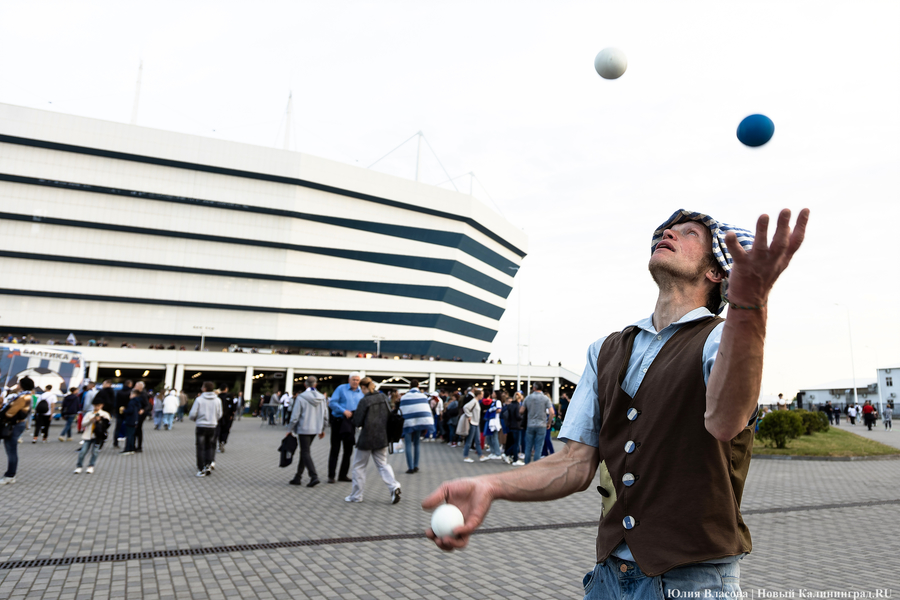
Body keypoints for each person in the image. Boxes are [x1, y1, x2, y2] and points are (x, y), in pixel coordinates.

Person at [422, 207, 809, 597]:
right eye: (667, 230)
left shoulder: (720, 339)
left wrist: (749, 305)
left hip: (692, 578)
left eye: (689, 233)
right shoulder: (604, 349)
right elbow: (574, 465)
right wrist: (491, 484)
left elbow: (726, 421)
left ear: (715, 272)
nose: (669, 233)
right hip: (607, 577)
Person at [345, 377, 401, 504]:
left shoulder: (365, 401)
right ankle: (394, 486)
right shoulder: (383, 398)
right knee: (383, 464)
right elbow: (389, 415)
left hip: (367, 437)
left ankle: (356, 496)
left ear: (363, 388)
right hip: (382, 437)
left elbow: (357, 421)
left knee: (359, 466)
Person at [287, 376, 327, 487]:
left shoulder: (301, 397)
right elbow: (325, 415)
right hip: (315, 429)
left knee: (305, 452)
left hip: (304, 428)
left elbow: (295, 416)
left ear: (305, 385)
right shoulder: (322, 397)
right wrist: (323, 428)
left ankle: (313, 476)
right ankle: (298, 477)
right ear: (316, 384)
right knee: (305, 452)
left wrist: (289, 429)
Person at [327, 372, 364, 483]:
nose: (355, 382)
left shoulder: (361, 392)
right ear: (349, 380)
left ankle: (343, 475)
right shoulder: (341, 389)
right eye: (353, 380)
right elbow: (332, 403)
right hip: (339, 421)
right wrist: (343, 411)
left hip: (351, 423)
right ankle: (331, 476)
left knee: (348, 450)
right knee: (335, 449)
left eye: (357, 380)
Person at [1, 377, 34, 485]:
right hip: (18, 424)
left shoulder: (22, 397)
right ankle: (11, 475)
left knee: (11, 451)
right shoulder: (26, 396)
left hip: (14, 425)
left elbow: (10, 412)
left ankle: (10, 475)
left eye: (18, 384)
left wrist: (3, 418)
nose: (17, 386)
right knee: (12, 450)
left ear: (22, 385)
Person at [399, 379, 435, 473]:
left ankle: (410, 468)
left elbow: (401, 410)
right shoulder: (423, 396)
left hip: (408, 422)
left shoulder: (404, 397)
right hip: (419, 422)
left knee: (408, 444)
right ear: (418, 386)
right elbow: (426, 409)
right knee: (417, 443)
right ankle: (416, 466)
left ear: (410, 386)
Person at [190, 381, 222, 477]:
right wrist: (214, 420)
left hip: (201, 425)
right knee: (210, 446)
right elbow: (219, 414)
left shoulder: (199, 400)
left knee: (200, 447)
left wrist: (196, 419)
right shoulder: (217, 400)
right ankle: (209, 464)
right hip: (212, 426)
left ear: (204, 388)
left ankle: (201, 468)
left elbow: (192, 414)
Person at [74, 396, 111, 474]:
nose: (96, 407)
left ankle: (91, 466)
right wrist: (91, 420)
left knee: (95, 452)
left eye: (98, 405)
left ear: (102, 405)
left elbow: (107, 425)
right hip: (88, 435)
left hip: (98, 436)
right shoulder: (89, 414)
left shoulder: (105, 414)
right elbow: (83, 424)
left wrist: (100, 420)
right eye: (95, 405)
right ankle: (79, 466)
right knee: (83, 452)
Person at [520, 382, 554, 464]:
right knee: (538, 447)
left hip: (530, 424)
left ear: (534, 388)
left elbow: (521, 411)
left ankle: (527, 464)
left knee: (528, 446)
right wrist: (548, 423)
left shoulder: (528, 398)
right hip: (541, 425)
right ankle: (536, 466)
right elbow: (552, 412)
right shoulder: (546, 398)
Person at [459, 388, 487, 463]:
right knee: (469, 440)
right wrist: (469, 416)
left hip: (475, 423)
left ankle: (480, 455)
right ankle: (466, 456)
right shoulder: (474, 401)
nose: (482, 396)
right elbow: (465, 407)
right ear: (479, 395)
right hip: (473, 423)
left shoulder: (476, 401)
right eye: (482, 394)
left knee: (477, 440)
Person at [502, 391, 525, 465]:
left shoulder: (511, 405)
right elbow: (518, 416)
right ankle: (514, 459)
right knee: (516, 443)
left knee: (514, 443)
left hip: (511, 425)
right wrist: (523, 417)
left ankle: (507, 454)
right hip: (517, 426)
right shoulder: (517, 405)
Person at [120, 389, 143, 455]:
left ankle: (127, 449)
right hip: (135, 420)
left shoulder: (132, 402)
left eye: (131, 394)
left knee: (129, 435)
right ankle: (132, 448)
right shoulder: (138, 402)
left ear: (134, 395)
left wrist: (124, 410)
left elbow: (130, 411)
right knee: (132, 435)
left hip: (130, 420)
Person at [482, 392, 503, 460]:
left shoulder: (498, 402)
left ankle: (497, 453)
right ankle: (493, 452)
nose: (492, 394)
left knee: (494, 437)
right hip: (490, 421)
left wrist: (490, 411)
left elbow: (499, 410)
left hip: (494, 421)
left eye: (493, 393)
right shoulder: (493, 401)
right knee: (489, 437)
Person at [113, 380, 133, 447]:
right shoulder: (131, 392)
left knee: (117, 428)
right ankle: (128, 444)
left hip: (119, 412)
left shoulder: (119, 392)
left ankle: (115, 442)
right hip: (128, 412)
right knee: (128, 428)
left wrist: (115, 411)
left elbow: (116, 402)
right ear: (130, 385)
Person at [218, 386, 234, 452]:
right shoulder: (229, 396)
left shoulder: (217, 397)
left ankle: (219, 441)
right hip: (227, 416)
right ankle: (223, 441)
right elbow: (233, 406)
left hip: (219, 416)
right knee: (226, 429)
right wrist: (231, 415)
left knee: (219, 430)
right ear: (226, 389)